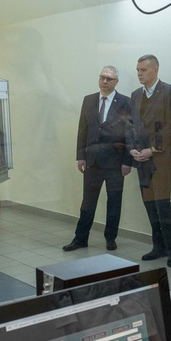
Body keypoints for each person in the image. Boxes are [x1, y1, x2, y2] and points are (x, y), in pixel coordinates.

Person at [63, 66, 133, 252]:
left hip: (115, 163)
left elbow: (130, 133)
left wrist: (127, 161)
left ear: (116, 82)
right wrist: (80, 156)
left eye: (110, 79)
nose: (105, 81)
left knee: (114, 202)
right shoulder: (89, 100)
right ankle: (80, 238)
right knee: (88, 202)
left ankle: (110, 238)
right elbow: (83, 129)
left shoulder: (126, 102)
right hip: (92, 161)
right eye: (103, 77)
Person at [128, 55, 171, 268]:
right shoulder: (135, 95)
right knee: (149, 204)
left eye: (143, 70)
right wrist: (132, 148)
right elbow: (130, 125)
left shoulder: (170, 91)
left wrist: (152, 149)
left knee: (162, 204)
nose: (139, 73)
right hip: (140, 158)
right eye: (138, 70)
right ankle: (157, 246)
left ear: (156, 69)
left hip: (160, 157)